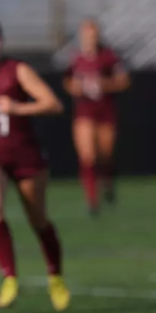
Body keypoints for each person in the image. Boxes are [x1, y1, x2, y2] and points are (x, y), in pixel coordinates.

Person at [0, 19, 71, 311]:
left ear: (1, 41)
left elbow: (54, 104)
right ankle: (9, 277)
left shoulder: (17, 70)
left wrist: (20, 107)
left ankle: (55, 276)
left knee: (38, 219)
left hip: (26, 157)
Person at [64, 19, 130, 216]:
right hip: (84, 112)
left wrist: (103, 84)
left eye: (93, 34)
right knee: (88, 156)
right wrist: (76, 87)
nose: (90, 38)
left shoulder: (109, 57)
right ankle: (92, 200)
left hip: (106, 111)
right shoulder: (76, 58)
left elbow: (123, 81)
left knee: (105, 155)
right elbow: (68, 82)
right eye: (86, 35)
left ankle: (108, 184)